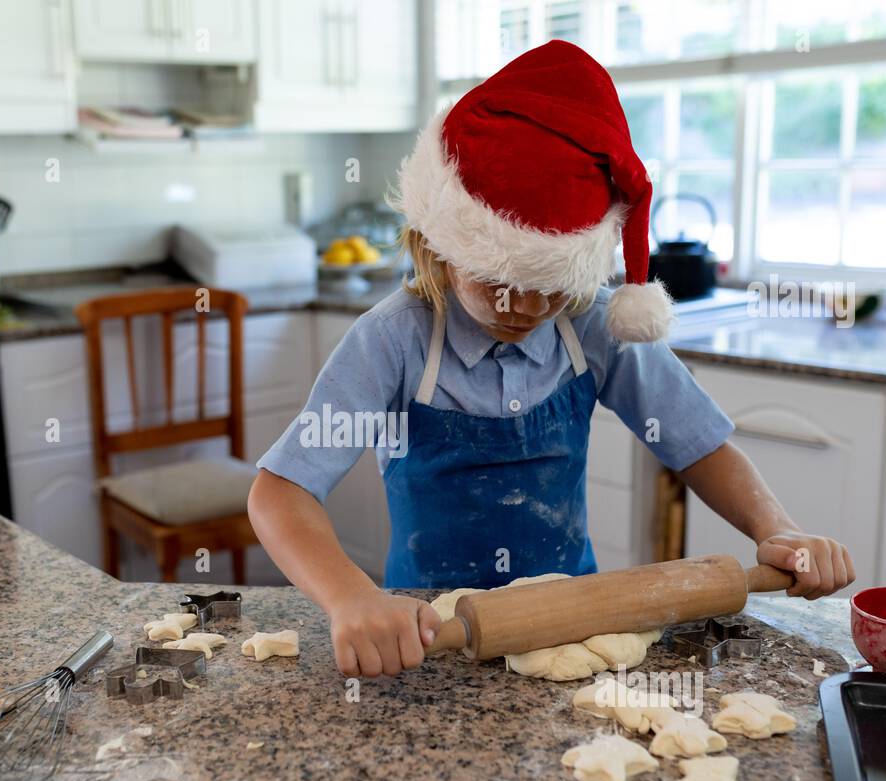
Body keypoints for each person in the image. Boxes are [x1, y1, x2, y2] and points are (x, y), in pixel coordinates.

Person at [249, 41, 855, 678]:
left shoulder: (591, 324)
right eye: (499, 278)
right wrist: (352, 597)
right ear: (441, 243)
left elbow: (698, 444)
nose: (526, 304)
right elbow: (281, 492)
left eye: (553, 282)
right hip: (429, 632)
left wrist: (775, 526)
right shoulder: (394, 340)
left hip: (571, 621)